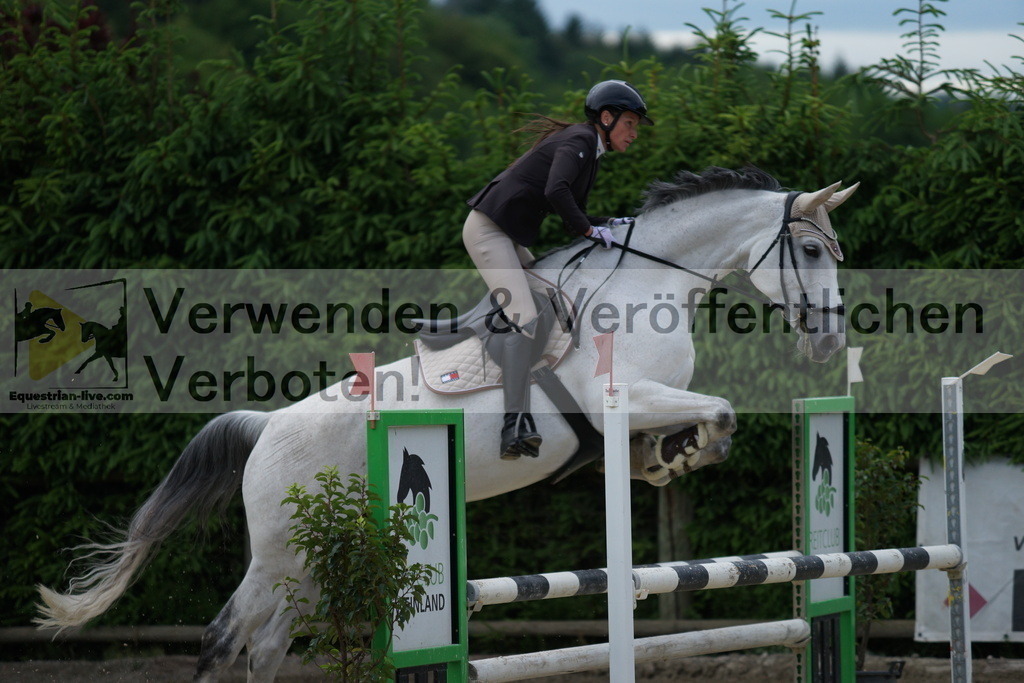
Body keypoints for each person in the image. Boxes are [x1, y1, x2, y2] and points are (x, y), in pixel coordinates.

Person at [464, 79, 654, 460]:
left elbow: (572, 213)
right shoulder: (580, 140)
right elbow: (556, 192)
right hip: (489, 232)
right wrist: (589, 229)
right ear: (606, 117)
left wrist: (609, 223)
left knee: (551, 305)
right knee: (525, 317)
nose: (634, 133)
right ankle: (513, 425)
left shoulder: (589, 149)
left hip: (506, 235)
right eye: (630, 123)